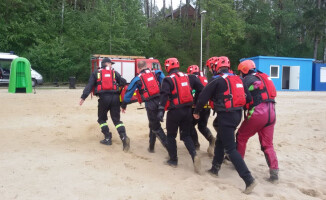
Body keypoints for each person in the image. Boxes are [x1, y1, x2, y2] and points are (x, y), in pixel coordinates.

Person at [193, 56, 257, 194]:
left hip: (226, 116)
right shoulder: (238, 78)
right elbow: (249, 98)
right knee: (221, 140)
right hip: (237, 115)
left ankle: (249, 179)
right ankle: (215, 169)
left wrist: (197, 111)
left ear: (216, 67)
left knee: (231, 149)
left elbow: (203, 96)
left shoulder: (216, 80)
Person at [157, 58, 203, 174]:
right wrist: (196, 103)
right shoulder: (190, 77)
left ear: (167, 67)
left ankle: (173, 160)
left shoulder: (167, 80)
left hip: (174, 112)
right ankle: (194, 156)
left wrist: (161, 110)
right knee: (186, 135)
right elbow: (202, 89)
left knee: (171, 136)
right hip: (188, 110)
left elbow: (164, 95)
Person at [236, 59, 279, 182]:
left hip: (258, 113)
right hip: (272, 112)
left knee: (241, 136)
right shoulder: (263, 77)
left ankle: (238, 163)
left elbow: (241, 95)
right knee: (268, 144)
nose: (240, 74)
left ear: (244, 70)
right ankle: (274, 171)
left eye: (240, 72)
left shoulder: (247, 79)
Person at [79, 58, 130, 152]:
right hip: (115, 98)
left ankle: (107, 138)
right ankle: (124, 137)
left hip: (103, 98)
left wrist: (83, 97)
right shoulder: (114, 72)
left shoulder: (96, 73)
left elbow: (89, 86)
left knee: (101, 119)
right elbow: (123, 82)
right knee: (116, 120)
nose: (112, 65)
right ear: (107, 63)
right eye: (111, 64)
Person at [121, 60, 167, 153]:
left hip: (150, 104)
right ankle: (151, 147)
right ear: (146, 65)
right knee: (153, 124)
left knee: (156, 127)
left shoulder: (137, 78)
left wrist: (124, 105)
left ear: (138, 68)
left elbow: (128, 93)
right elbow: (166, 82)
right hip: (161, 102)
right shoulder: (157, 72)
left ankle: (171, 151)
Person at [187, 65, 215, 157]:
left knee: (190, 126)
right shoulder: (204, 78)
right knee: (202, 126)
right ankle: (211, 139)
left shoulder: (192, 78)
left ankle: (196, 145)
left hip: (198, 106)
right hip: (207, 106)